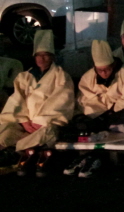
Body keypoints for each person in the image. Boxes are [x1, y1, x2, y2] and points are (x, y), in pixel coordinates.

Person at [63, 40, 124, 178]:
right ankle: (96, 145)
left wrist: (113, 105)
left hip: (118, 112)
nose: (104, 73)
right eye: (100, 70)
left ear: (113, 65)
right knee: (81, 117)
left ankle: (104, 128)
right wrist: (103, 105)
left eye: (107, 69)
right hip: (100, 114)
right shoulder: (88, 77)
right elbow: (84, 99)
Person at [0, 30, 74, 177]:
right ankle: (9, 152)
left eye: (45, 55)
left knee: (46, 134)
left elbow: (61, 99)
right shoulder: (25, 76)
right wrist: (23, 120)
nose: (41, 58)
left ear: (52, 57)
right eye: (38, 55)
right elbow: (17, 99)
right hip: (26, 122)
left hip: (46, 123)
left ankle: (16, 154)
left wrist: (41, 120)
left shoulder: (61, 76)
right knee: (5, 131)